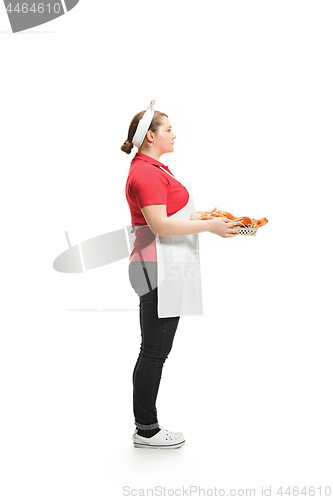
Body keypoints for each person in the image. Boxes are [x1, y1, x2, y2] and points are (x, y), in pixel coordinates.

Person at [122, 100, 239, 449]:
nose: (175, 134)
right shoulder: (145, 173)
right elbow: (158, 224)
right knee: (154, 352)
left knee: (155, 349)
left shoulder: (153, 168)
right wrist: (209, 226)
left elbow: (165, 212)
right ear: (150, 137)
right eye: (169, 128)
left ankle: (146, 425)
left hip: (156, 265)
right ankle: (146, 429)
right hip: (154, 266)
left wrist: (202, 215)